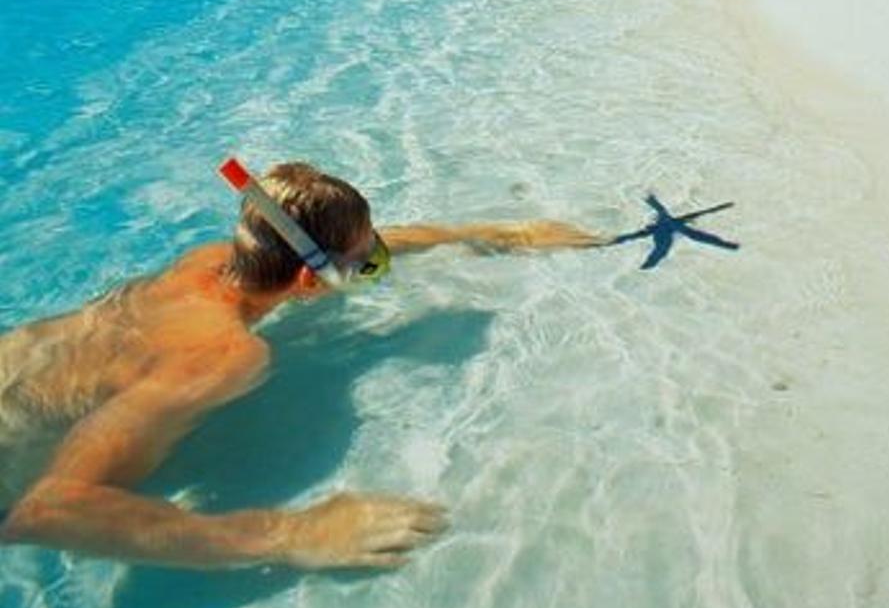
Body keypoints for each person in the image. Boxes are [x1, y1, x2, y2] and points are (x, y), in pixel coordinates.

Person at [0, 161, 599, 571]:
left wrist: (497, 233)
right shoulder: (228, 356)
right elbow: (49, 509)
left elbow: (343, 242)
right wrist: (295, 536)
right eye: (368, 264)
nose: (375, 266)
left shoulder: (207, 263)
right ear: (311, 279)